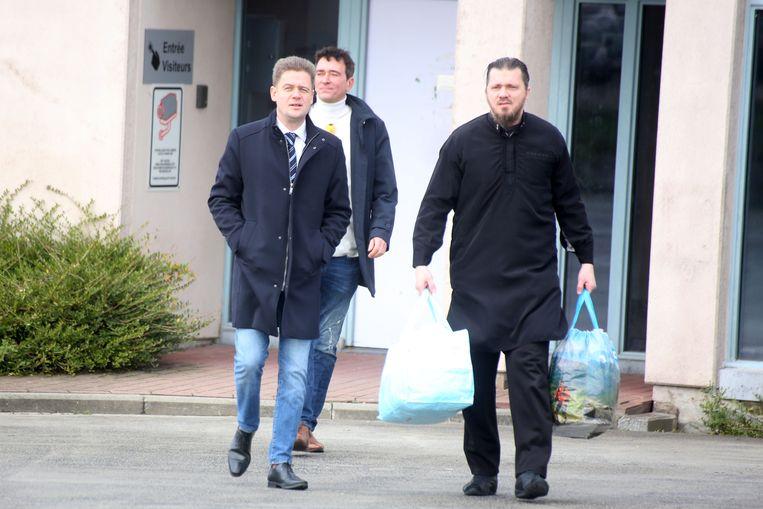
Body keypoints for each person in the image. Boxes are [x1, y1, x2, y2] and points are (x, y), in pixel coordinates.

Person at [412, 57, 596, 500]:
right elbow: (435, 203)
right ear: (487, 90)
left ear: (526, 91)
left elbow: (569, 204)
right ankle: (483, 472)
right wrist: (422, 260)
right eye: (497, 86)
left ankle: (531, 472)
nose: (504, 93)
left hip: (532, 284)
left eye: (512, 86)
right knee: (474, 386)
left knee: (529, 383)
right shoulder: (462, 142)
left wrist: (585, 259)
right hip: (475, 285)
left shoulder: (549, 140)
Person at [208, 56, 351, 490]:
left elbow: (339, 211)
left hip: (305, 279)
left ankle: (280, 461)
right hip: (255, 275)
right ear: (273, 92)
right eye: (288, 87)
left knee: (294, 375)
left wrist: (319, 251)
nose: (296, 95)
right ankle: (246, 426)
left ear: (312, 97)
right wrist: (244, 241)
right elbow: (221, 200)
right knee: (249, 362)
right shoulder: (246, 139)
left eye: (303, 90)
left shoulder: (328, 149)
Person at [293, 47, 397, 453]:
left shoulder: (369, 125)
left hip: (346, 256)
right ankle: (291, 418)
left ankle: (303, 424)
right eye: (320, 73)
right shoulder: (297, 116)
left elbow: (386, 189)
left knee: (323, 341)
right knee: (297, 338)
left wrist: (381, 231)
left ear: (349, 81)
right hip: (299, 253)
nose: (325, 80)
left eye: (334, 74)